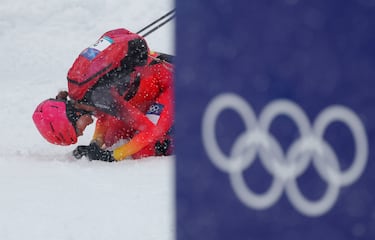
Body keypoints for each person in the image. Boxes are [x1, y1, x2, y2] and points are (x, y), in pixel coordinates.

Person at [32, 28, 174, 162]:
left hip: (170, 83)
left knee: (144, 151)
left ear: (73, 117)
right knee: (112, 139)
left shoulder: (98, 97)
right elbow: (104, 115)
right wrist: (95, 144)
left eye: (77, 130)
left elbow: (148, 129)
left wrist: (113, 156)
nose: (81, 134)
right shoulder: (80, 93)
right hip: (150, 85)